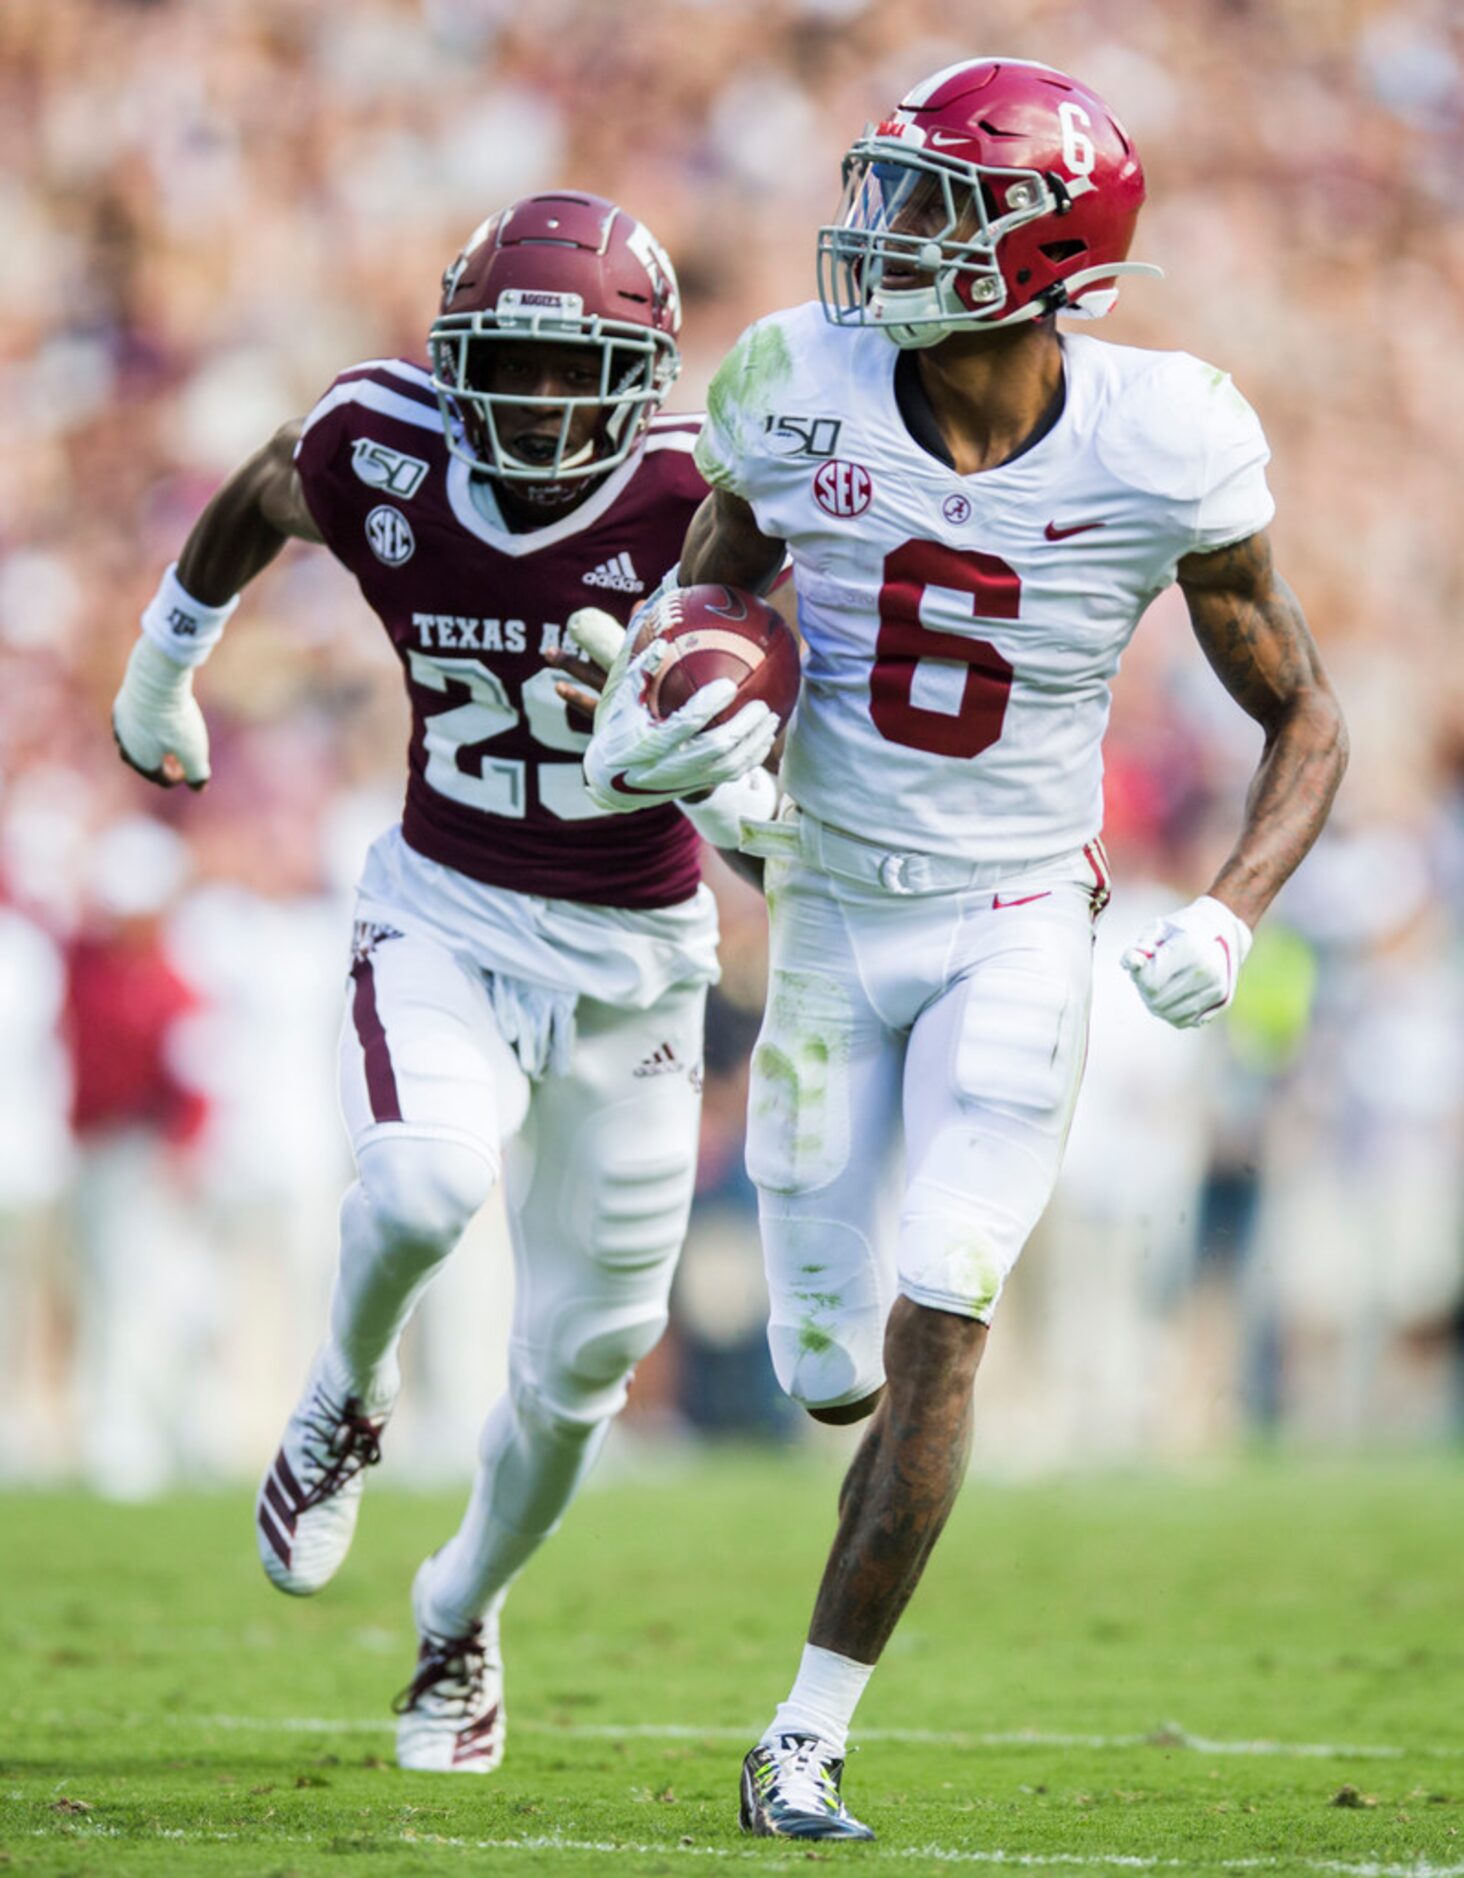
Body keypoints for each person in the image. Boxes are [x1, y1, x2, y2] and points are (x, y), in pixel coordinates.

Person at [582, 58, 1348, 1840]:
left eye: (932, 204)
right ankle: (829, 1449)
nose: (881, 233)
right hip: (835, 918)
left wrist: (1230, 910)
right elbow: (708, 598)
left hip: (1019, 923)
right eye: (886, 192)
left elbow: (1307, 712)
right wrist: (680, 732)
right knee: (824, 1361)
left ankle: (806, 1733)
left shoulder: (1166, 433)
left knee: (949, 1305)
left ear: (1051, 245)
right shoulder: (793, 381)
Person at [111, 191, 779, 1773]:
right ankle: (345, 1394)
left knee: (580, 1376)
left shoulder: (706, 496)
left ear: (641, 375)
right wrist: (161, 669)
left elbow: (777, 768)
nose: (542, 404)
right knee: (418, 1190)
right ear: (454, 354)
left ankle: (459, 1613)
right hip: (449, 911)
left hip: (636, 960)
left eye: (576, 372)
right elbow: (264, 495)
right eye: (513, 365)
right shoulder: (383, 440)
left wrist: (725, 773)